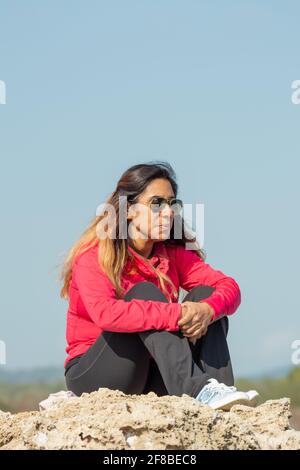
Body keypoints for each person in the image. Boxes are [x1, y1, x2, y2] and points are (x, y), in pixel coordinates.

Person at [59, 161, 258, 410]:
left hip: (153, 373)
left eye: (172, 203)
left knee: (206, 295)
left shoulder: (172, 253)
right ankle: (199, 389)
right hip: (96, 374)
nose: (168, 212)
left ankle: (217, 391)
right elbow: (105, 314)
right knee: (145, 294)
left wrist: (208, 310)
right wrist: (179, 314)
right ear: (129, 209)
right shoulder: (94, 255)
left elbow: (229, 287)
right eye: (156, 204)